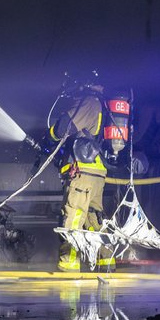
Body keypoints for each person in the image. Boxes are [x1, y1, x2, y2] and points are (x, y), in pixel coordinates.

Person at [48, 76, 115, 272]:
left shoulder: (90, 102)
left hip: (83, 171)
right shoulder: (102, 104)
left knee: (72, 217)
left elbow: (63, 128)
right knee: (92, 219)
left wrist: (50, 135)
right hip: (96, 170)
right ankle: (106, 262)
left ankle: (69, 264)